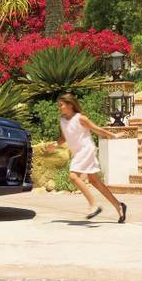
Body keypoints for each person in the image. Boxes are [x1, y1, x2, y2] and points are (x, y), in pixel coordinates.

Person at [47, 93, 127, 223]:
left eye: (61, 105)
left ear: (70, 105)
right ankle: (119, 206)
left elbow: (97, 129)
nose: (59, 108)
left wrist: (113, 136)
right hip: (78, 152)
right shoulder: (62, 121)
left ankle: (93, 205)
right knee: (94, 181)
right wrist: (55, 145)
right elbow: (64, 138)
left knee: (73, 176)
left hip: (86, 149)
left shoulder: (80, 118)